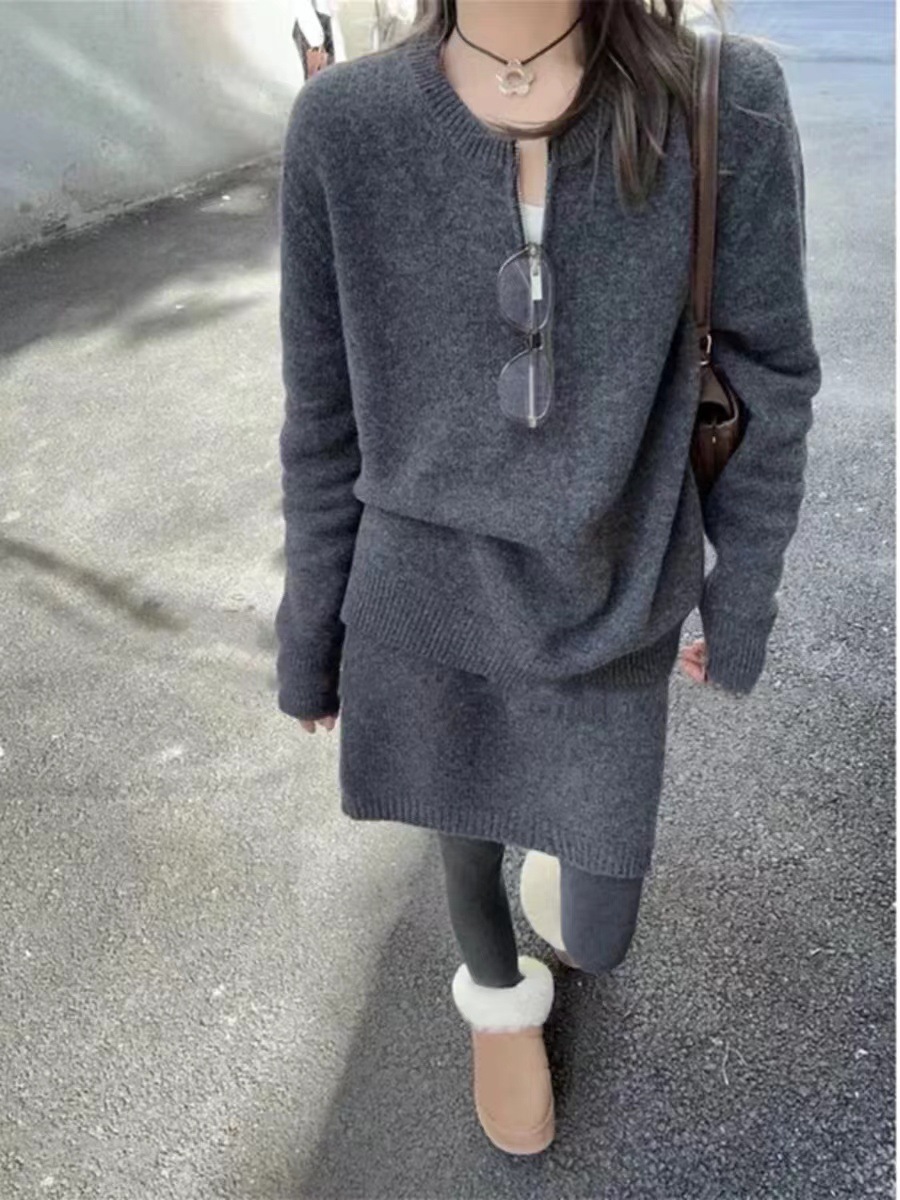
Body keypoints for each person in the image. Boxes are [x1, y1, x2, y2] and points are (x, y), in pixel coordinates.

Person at [275, 0, 822, 1156]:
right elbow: (321, 413)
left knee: (602, 934)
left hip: (614, 593)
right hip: (425, 602)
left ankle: (553, 898)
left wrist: (741, 591)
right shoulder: (345, 123)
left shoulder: (721, 102)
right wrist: (311, 634)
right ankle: (494, 999)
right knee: (461, 833)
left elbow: (769, 378)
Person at [292, 0, 339, 80]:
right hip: (315, 24)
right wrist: (316, 40)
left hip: (318, 22)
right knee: (321, 78)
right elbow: (302, 6)